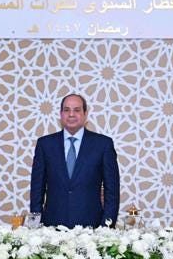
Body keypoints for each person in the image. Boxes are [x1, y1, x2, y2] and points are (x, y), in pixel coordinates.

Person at [30, 94, 120, 228]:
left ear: (85, 114)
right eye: (66, 110)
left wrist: (106, 228)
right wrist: (35, 226)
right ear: (61, 114)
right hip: (51, 229)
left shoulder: (103, 144)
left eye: (77, 110)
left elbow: (112, 191)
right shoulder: (45, 144)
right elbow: (37, 190)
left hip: (92, 229)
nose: (71, 114)